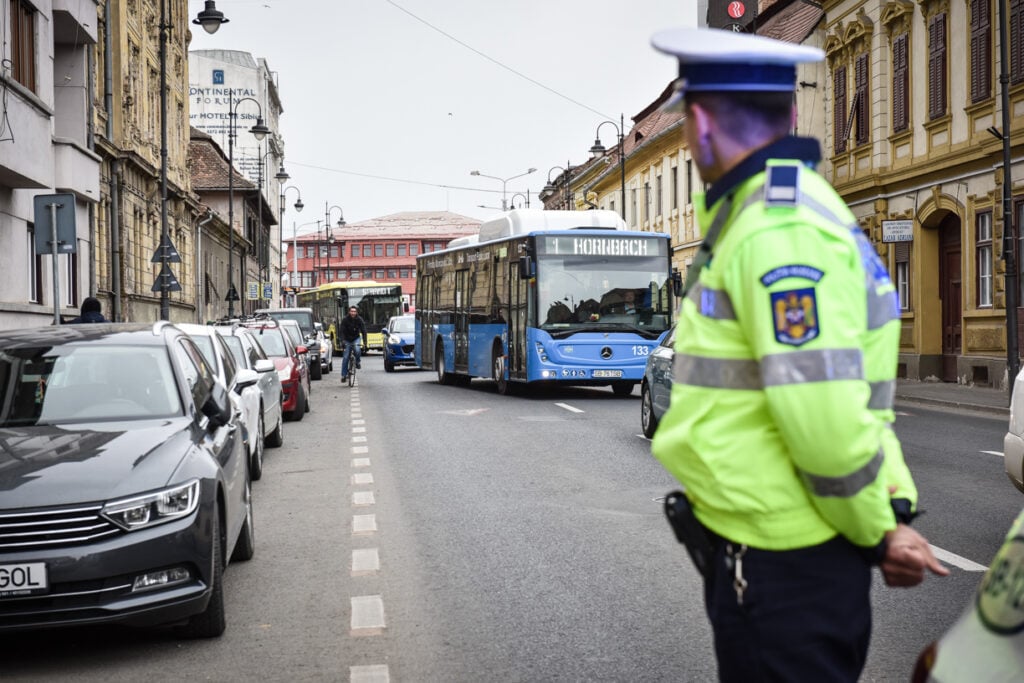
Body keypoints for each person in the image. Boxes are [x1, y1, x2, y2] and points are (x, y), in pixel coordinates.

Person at [648, 27, 948, 682]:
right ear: (788, 114)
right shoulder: (787, 209)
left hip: (784, 566)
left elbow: (827, 421)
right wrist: (891, 508)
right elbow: (853, 398)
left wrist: (880, 529)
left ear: (698, 124)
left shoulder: (777, 230)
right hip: (780, 557)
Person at [338, 306, 367, 381]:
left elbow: (364, 331)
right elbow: (341, 331)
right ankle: (344, 376)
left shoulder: (359, 319)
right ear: (349, 312)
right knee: (345, 357)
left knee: (357, 350)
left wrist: (365, 342)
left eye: (354, 311)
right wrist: (342, 341)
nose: (353, 313)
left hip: (356, 338)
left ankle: (357, 362)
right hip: (347, 339)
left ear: (356, 312)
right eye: (352, 311)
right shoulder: (345, 320)